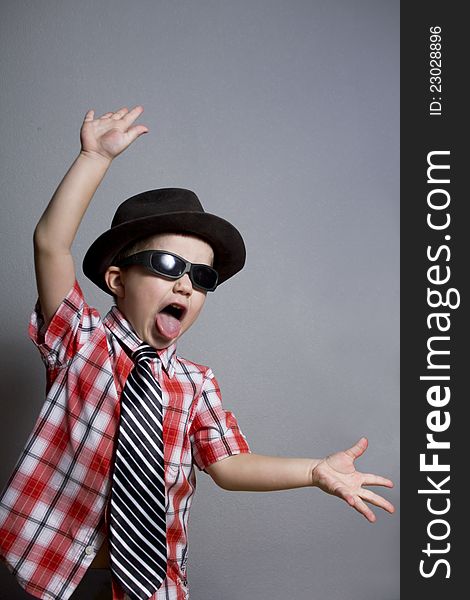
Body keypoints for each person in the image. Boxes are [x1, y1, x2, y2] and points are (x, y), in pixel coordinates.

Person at [0, 105, 394, 600]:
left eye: (202, 277)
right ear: (117, 281)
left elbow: (228, 466)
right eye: (167, 265)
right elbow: (50, 245)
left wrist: (314, 472)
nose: (186, 284)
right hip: (54, 571)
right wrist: (93, 157)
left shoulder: (195, 383)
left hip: (150, 583)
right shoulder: (80, 339)